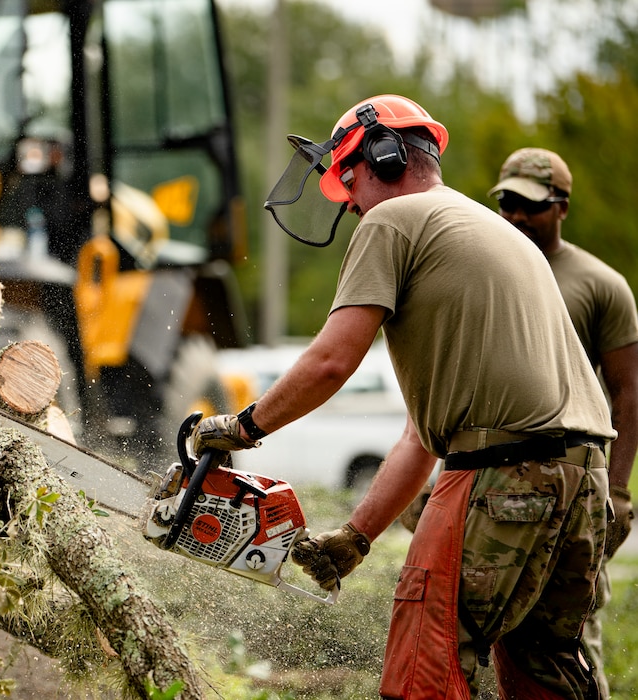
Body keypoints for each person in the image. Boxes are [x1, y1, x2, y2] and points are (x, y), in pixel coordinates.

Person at [192, 95, 615, 699]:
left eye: (350, 182)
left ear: (382, 159)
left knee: (426, 663)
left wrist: (242, 428)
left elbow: (332, 361)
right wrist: (357, 536)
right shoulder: (488, 231)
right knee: (544, 669)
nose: (354, 204)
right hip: (583, 480)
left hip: (503, 474)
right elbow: (422, 434)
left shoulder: (393, 221)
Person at [489, 147, 638, 697]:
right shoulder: (488, 270)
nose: (517, 217)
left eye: (531, 205)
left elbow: (629, 393)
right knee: (489, 636)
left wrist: (617, 492)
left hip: (578, 487)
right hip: (496, 485)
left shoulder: (600, 285)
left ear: (562, 207)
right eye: (507, 203)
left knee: (569, 641)